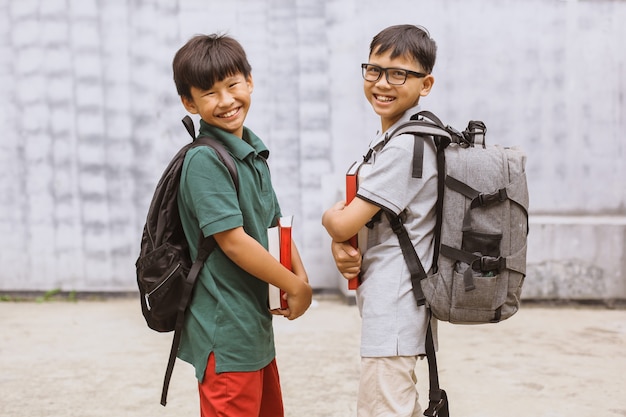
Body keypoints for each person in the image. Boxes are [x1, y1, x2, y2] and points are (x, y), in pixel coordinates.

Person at [172, 33, 313, 417]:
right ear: (190, 102)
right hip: (225, 328)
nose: (226, 100)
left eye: (233, 85)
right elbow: (232, 241)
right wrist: (292, 284)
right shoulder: (204, 161)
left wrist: (300, 278)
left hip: (253, 326)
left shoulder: (252, 152)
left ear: (249, 81)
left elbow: (274, 224)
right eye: (209, 92)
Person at [322, 24, 438, 417]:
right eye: (374, 70)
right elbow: (363, 222)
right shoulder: (391, 138)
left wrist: (331, 222)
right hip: (392, 305)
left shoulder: (406, 147)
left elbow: (343, 222)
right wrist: (343, 245)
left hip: (396, 305)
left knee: (383, 409)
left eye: (399, 73)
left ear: (426, 84)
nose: (382, 83)